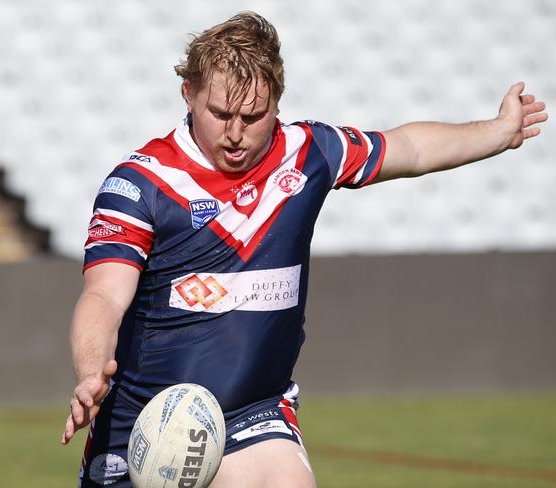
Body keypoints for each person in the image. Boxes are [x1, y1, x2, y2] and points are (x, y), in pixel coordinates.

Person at [61, 11, 547, 488]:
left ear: (278, 101)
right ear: (188, 93)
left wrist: (499, 132)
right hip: (146, 426)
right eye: (220, 114)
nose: (235, 133)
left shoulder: (309, 152)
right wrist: (88, 372)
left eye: (252, 116)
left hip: (253, 415)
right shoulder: (141, 184)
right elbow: (104, 296)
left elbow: (408, 149)